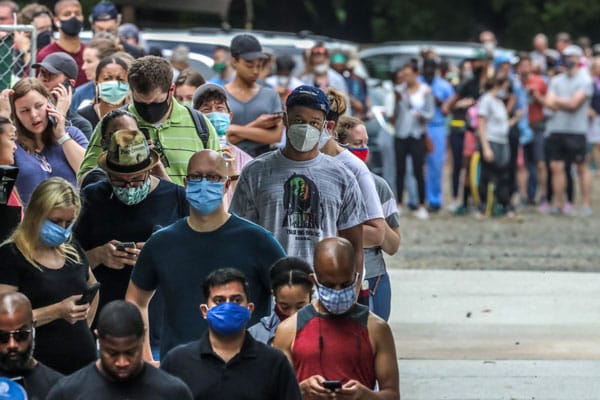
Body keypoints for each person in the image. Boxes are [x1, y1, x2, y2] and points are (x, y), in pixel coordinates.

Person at [126, 150, 285, 362]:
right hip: (180, 371)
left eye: (212, 177)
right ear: (185, 183)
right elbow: (135, 301)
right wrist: (144, 360)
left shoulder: (258, 240)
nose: (203, 183)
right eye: (196, 177)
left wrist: (278, 352)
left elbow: (292, 299)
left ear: (227, 185)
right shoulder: (161, 242)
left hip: (245, 367)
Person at [230, 85, 366, 270]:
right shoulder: (256, 172)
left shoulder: (342, 177)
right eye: (299, 120)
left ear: (325, 126)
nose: (306, 128)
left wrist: (345, 294)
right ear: (286, 120)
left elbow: (354, 248)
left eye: (314, 123)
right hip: (270, 289)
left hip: (321, 292)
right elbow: (240, 237)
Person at [74, 129, 187, 342]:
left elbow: (194, 260)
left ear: (150, 170)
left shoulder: (176, 198)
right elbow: (67, 264)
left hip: (160, 323)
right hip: (104, 321)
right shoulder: (91, 198)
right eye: (119, 181)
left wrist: (161, 257)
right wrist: (98, 256)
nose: (128, 187)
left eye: (135, 179)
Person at [273, 237, 400, 400]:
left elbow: (392, 394)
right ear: (315, 281)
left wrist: (365, 395)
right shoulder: (288, 330)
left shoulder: (376, 329)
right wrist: (301, 390)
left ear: (356, 278)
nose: (338, 291)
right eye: (330, 285)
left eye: (345, 284)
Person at [0, 178, 98, 374]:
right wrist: (57, 312)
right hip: (38, 370)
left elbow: (93, 287)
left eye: (68, 222)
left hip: (82, 367)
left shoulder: (72, 250)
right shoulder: (11, 256)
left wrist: (83, 326)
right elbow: (3, 320)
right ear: (36, 215)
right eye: (55, 221)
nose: (62, 228)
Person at [161, 268, 302, 400]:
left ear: (250, 309)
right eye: (219, 301)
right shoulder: (177, 362)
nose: (228, 307)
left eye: (236, 300)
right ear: (205, 311)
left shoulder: (275, 363)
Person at [78, 55, 221, 185]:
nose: (149, 110)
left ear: (171, 90)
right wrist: (117, 163)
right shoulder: (114, 123)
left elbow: (218, 181)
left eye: (156, 103)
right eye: (141, 103)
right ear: (131, 91)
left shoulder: (199, 125)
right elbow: (85, 179)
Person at [46, 300, 192, 399]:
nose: (122, 362)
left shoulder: (172, 392)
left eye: (130, 352)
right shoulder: (67, 393)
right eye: (112, 353)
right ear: (99, 338)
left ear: (143, 337)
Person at [335, 115, 401, 321]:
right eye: (357, 144)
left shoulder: (378, 186)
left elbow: (393, 245)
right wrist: (364, 231)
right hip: (338, 276)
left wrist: (376, 223)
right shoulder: (330, 182)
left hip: (375, 278)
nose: (363, 149)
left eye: (365, 143)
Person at [10, 78, 88, 206]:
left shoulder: (72, 134)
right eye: (25, 111)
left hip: (72, 221)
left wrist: (62, 136)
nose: (34, 115)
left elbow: (88, 173)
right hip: (31, 222)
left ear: (49, 104)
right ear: (15, 114)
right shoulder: (11, 147)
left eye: (38, 106)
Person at [545, 45, 593, 215]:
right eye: (566, 56)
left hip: (577, 130)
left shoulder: (585, 80)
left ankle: (586, 204)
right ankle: (558, 203)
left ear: (579, 59)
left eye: (572, 56)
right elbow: (548, 102)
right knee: (556, 167)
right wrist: (564, 102)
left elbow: (574, 104)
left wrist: (558, 101)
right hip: (557, 129)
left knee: (581, 167)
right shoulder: (557, 80)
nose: (569, 60)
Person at [192, 83, 253, 207]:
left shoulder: (247, 162)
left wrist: (234, 175)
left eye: (220, 108)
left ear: (229, 117)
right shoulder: (191, 156)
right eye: (206, 110)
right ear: (196, 118)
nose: (214, 114)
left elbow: (250, 207)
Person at [224, 34, 284, 158]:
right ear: (234, 61)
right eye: (249, 65)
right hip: (229, 164)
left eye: (259, 65)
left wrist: (233, 129)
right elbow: (220, 140)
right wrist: (257, 124)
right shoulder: (220, 95)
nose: (255, 71)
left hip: (263, 163)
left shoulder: (270, 95)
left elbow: (275, 136)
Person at [0, 292, 63, 400]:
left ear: (33, 327)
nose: (12, 345)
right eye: (2, 337)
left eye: (21, 335)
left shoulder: (58, 387)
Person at [392, 63, 434, 219]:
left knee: (418, 170)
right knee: (400, 170)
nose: (406, 78)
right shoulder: (399, 91)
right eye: (404, 74)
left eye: (409, 74)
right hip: (401, 133)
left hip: (417, 134)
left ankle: (422, 204)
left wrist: (420, 114)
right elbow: (393, 112)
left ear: (416, 74)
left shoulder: (425, 91)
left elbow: (430, 114)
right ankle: (399, 203)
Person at [477, 75, 522, 217]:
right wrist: (485, 147)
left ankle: (503, 203)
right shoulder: (486, 100)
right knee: (488, 174)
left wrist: (516, 119)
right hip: (491, 140)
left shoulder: (499, 102)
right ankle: (485, 205)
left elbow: (503, 124)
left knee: (503, 174)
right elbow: (481, 124)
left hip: (503, 141)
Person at [248, 257, 313, 345]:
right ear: (274, 296)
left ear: (311, 295)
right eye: (284, 307)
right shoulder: (255, 336)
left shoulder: (326, 331)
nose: (292, 315)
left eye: (300, 307)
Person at [33, 52, 94, 139]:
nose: (44, 78)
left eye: (51, 74)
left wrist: (60, 118)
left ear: (69, 83)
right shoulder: (29, 113)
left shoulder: (80, 125)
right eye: (42, 72)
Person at [421, 57, 455, 212]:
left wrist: (438, 100)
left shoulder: (444, 86)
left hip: (436, 127)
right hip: (418, 126)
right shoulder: (417, 83)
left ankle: (434, 200)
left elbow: (450, 108)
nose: (428, 71)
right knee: (415, 164)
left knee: (435, 164)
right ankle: (417, 198)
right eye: (425, 67)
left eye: (431, 68)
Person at [37, 0, 87, 87]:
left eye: (77, 14)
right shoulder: (45, 55)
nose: (73, 17)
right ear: (56, 21)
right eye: (67, 14)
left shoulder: (89, 54)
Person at [71, 37, 121, 113]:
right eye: (84, 61)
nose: (83, 67)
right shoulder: (78, 94)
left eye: (89, 61)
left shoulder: (126, 92)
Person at [77, 56, 130, 129]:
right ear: (96, 83)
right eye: (107, 78)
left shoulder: (136, 117)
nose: (114, 84)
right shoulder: (81, 117)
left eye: (120, 79)